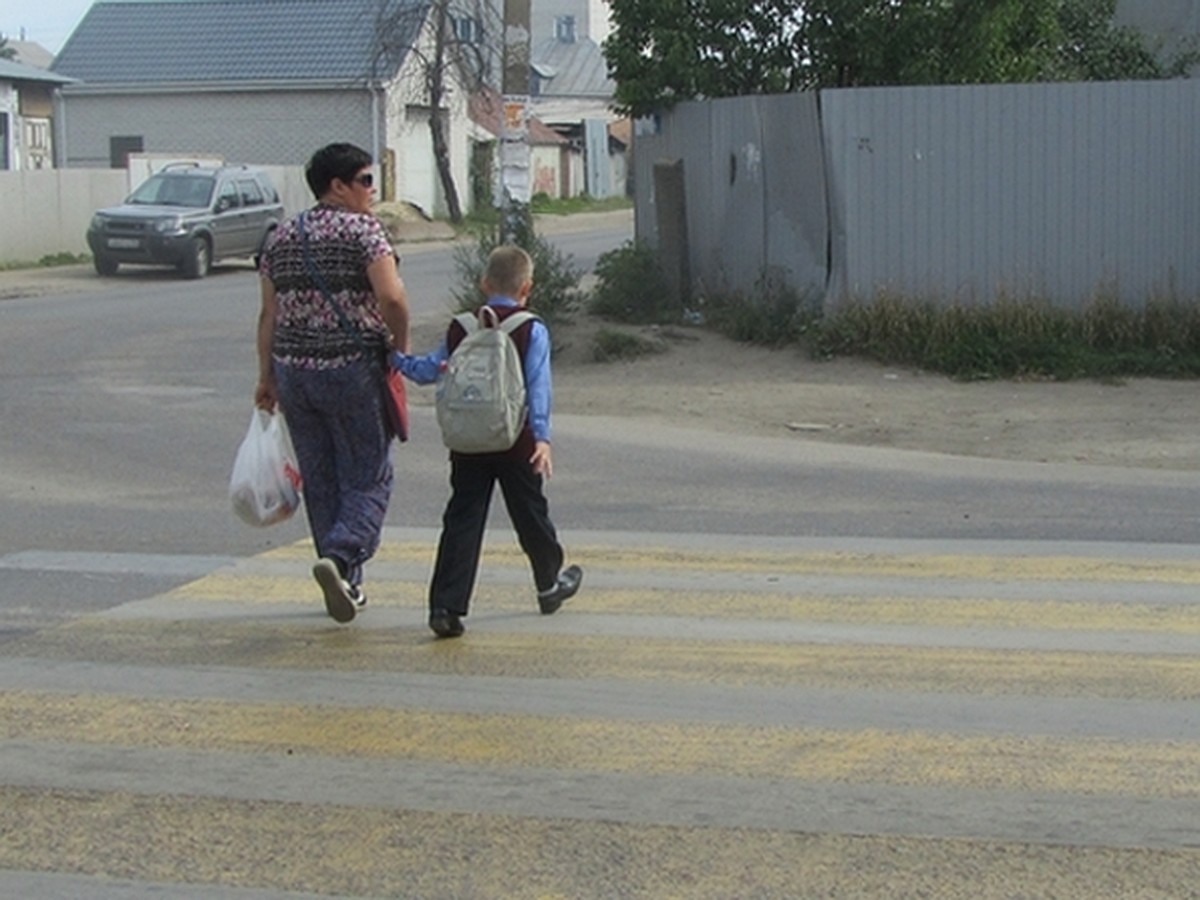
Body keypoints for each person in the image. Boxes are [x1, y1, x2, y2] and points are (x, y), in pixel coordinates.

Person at [254, 142, 410, 624]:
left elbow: (268, 314)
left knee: (321, 479)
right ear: (337, 186)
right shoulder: (365, 232)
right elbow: (392, 299)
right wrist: (398, 350)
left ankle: (344, 580)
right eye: (365, 180)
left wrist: (265, 378)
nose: (372, 190)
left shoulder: (280, 236)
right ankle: (342, 559)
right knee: (369, 473)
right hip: (351, 369)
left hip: (293, 372)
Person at [393, 245, 581, 638]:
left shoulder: (462, 326)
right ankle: (549, 584)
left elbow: (431, 370)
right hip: (516, 438)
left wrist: (395, 359)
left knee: (462, 518)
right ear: (527, 286)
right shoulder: (532, 328)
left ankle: (446, 606)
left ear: (484, 283)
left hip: (469, 439)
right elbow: (538, 387)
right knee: (531, 514)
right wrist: (542, 438)